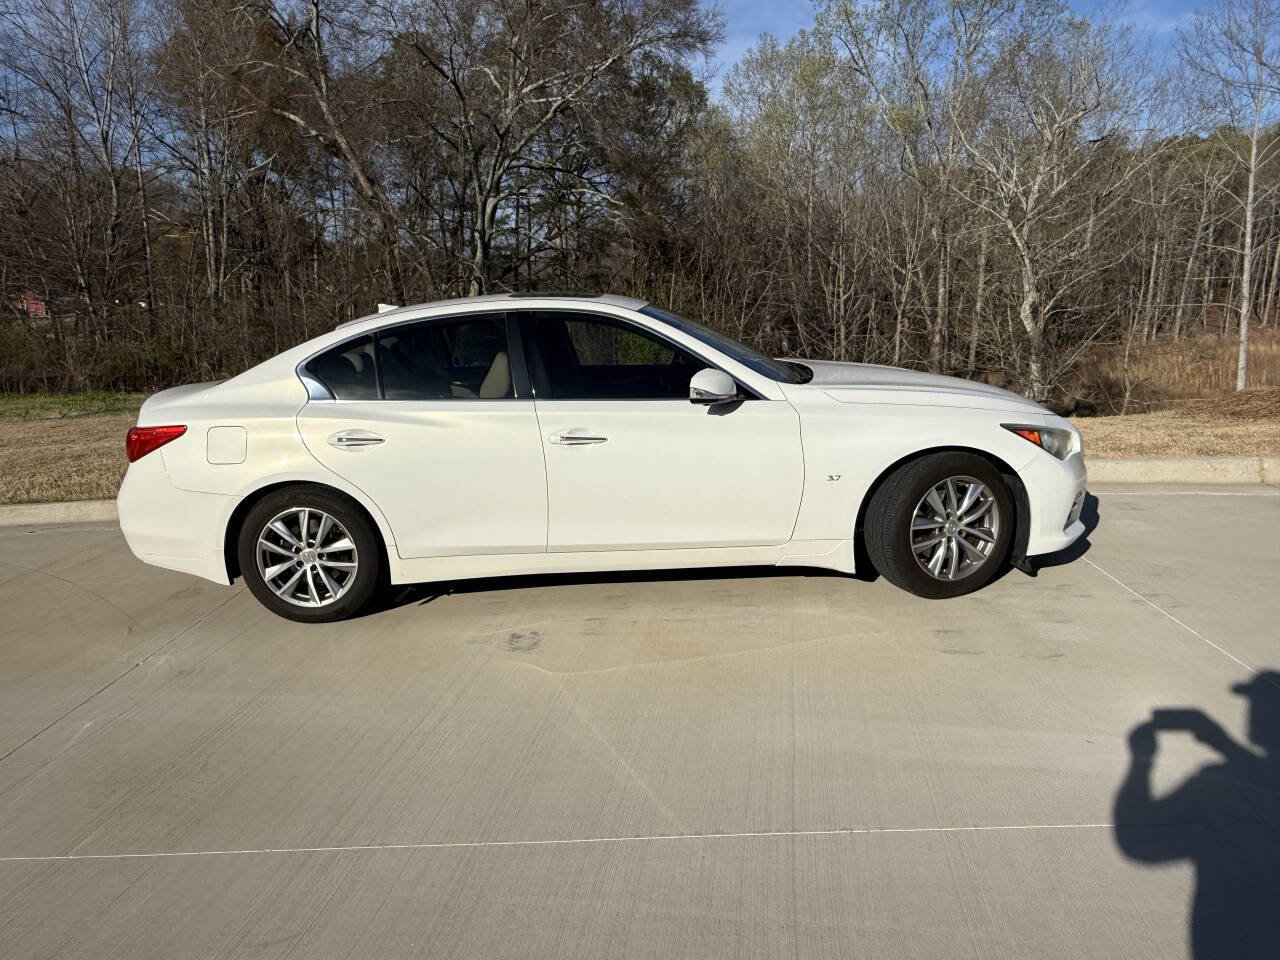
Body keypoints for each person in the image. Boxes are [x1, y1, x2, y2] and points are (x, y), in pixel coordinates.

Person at [1114, 671, 1280, 958]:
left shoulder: (1218, 788)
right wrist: (1225, 745)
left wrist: (1141, 761)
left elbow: (1137, 837)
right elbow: (1268, 780)